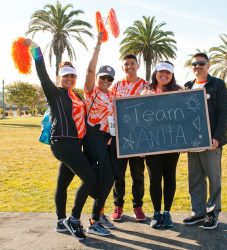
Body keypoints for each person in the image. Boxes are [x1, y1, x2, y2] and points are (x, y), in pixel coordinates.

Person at [25, 39, 97, 240]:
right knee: (90, 178)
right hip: (63, 144)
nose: (70, 79)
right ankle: (73, 219)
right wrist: (36, 49)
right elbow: (41, 73)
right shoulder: (55, 94)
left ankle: (60, 220)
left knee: (63, 184)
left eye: (73, 76)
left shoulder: (78, 97)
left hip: (75, 145)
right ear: (60, 78)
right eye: (66, 76)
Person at [66, 32, 118, 237]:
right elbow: (89, 70)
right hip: (93, 137)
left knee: (109, 179)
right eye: (103, 77)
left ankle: (96, 218)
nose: (106, 80)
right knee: (93, 179)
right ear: (97, 78)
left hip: (106, 140)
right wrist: (97, 45)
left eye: (109, 78)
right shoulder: (92, 91)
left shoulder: (112, 95)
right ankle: (79, 218)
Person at [183, 52, 227, 230]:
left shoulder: (217, 84)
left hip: (211, 143)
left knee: (213, 178)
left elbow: (224, 112)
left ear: (208, 65)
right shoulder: (187, 86)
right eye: (194, 64)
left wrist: (217, 137)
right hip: (192, 143)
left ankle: (212, 214)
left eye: (201, 63)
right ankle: (199, 213)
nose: (197, 66)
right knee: (195, 178)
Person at [140, 61, 181, 229]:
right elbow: (139, 120)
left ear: (172, 75)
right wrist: (140, 144)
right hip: (151, 144)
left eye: (168, 73)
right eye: (161, 72)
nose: (164, 75)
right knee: (154, 178)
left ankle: (167, 212)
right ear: (155, 73)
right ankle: (156, 213)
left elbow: (185, 118)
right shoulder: (145, 92)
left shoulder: (179, 92)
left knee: (169, 176)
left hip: (172, 142)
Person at [110, 54, 148, 222]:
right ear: (122, 67)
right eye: (126, 64)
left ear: (137, 65)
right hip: (120, 137)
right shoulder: (116, 85)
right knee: (118, 173)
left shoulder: (146, 85)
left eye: (132, 63)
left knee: (138, 174)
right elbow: (108, 107)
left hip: (139, 137)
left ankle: (137, 206)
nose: (129, 66)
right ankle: (118, 205)